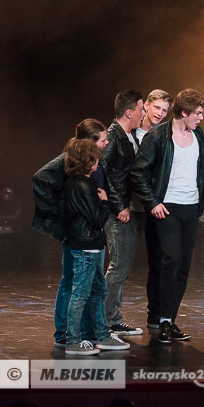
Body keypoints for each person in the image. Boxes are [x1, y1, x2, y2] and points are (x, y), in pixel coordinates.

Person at [132, 88, 204, 343]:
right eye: (198, 113)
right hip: (166, 207)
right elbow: (138, 171)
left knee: (182, 266)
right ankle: (161, 320)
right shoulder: (158, 136)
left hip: (190, 207)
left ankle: (167, 318)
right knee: (169, 261)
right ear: (184, 112)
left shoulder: (198, 134)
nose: (201, 118)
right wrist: (152, 202)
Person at [32, 118, 109, 348]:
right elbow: (40, 178)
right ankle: (66, 334)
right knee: (73, 283)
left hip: (90, 232)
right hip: (78, 233)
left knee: (90, 285)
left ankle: (89, 333)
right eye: (103, 140)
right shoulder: (68, 159)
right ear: (90, 142)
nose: (106, 143)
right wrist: (59, 213)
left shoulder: (91, 161)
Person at [63, 139, 130, 354]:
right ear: (88, 161)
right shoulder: (83, 186)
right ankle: (73, 341)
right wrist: (104, 201)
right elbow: (97, 219)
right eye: (95, 159)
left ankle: (102, 336)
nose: (98, 163)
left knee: (98, 292)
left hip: (90, 245)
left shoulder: (79, 183)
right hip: (86, 247)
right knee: (81, 294)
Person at [102, 90, 145, 336]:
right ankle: (104, 323)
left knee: (123, 267)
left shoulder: (129, 136)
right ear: (130, 112)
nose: (143, 113)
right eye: (141, 109)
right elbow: (103, 173)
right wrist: (119, 205)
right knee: (118, 267)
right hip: (116, 212)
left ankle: (113, 319)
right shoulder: (113, 136)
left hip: (128, 209)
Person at [134, 89, 173, 331]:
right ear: (146, 105)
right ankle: (108, 321)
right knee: (120, 266)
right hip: (131, 205)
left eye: (164, 110)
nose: (159, 113)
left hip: (156, 205)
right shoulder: (130, 132)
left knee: (158, 262)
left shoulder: (166, 134)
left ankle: (155, 316)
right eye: (157, 107)